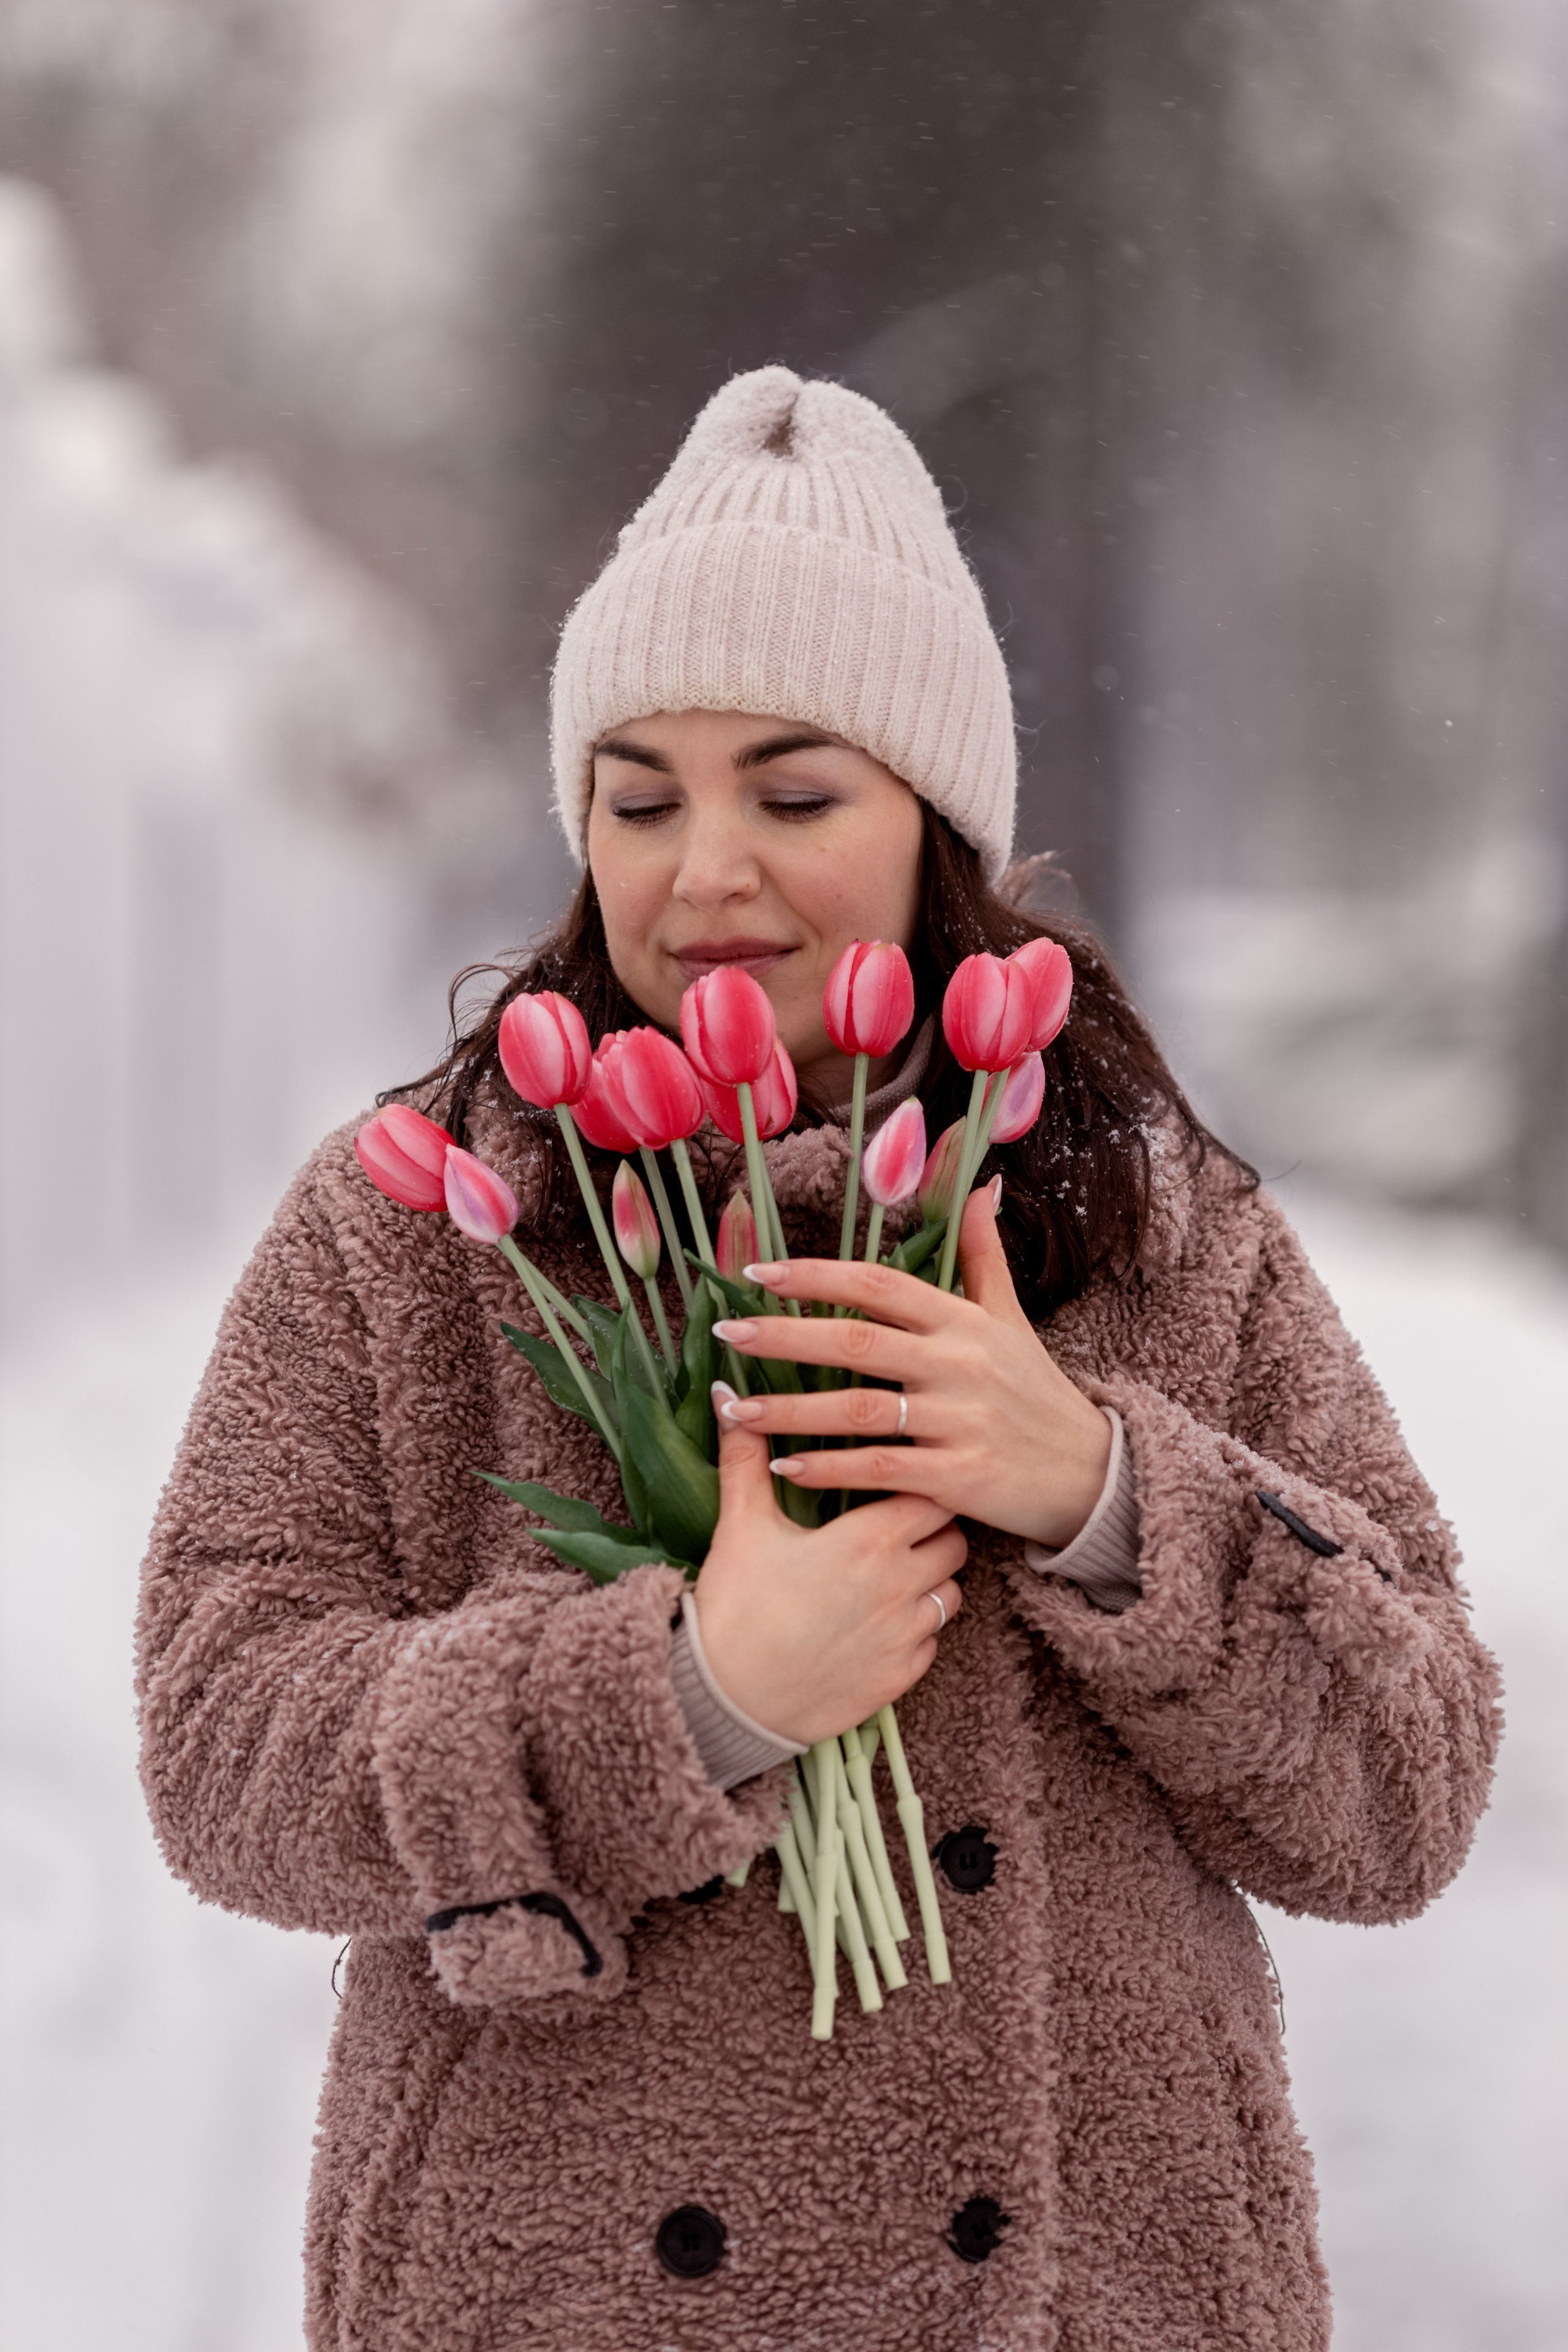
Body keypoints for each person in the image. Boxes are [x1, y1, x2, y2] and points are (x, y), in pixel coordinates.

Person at [136, 369, 1501, 2352]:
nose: (702, 876)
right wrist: (684, 1698)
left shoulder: (1153, 1222)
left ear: (933, 826)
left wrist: (1098, 1486)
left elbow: (1407, 1794)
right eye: (638, 796)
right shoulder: (418, 1226)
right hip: (572, 2296)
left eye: (793, 795)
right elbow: (221, 1742)